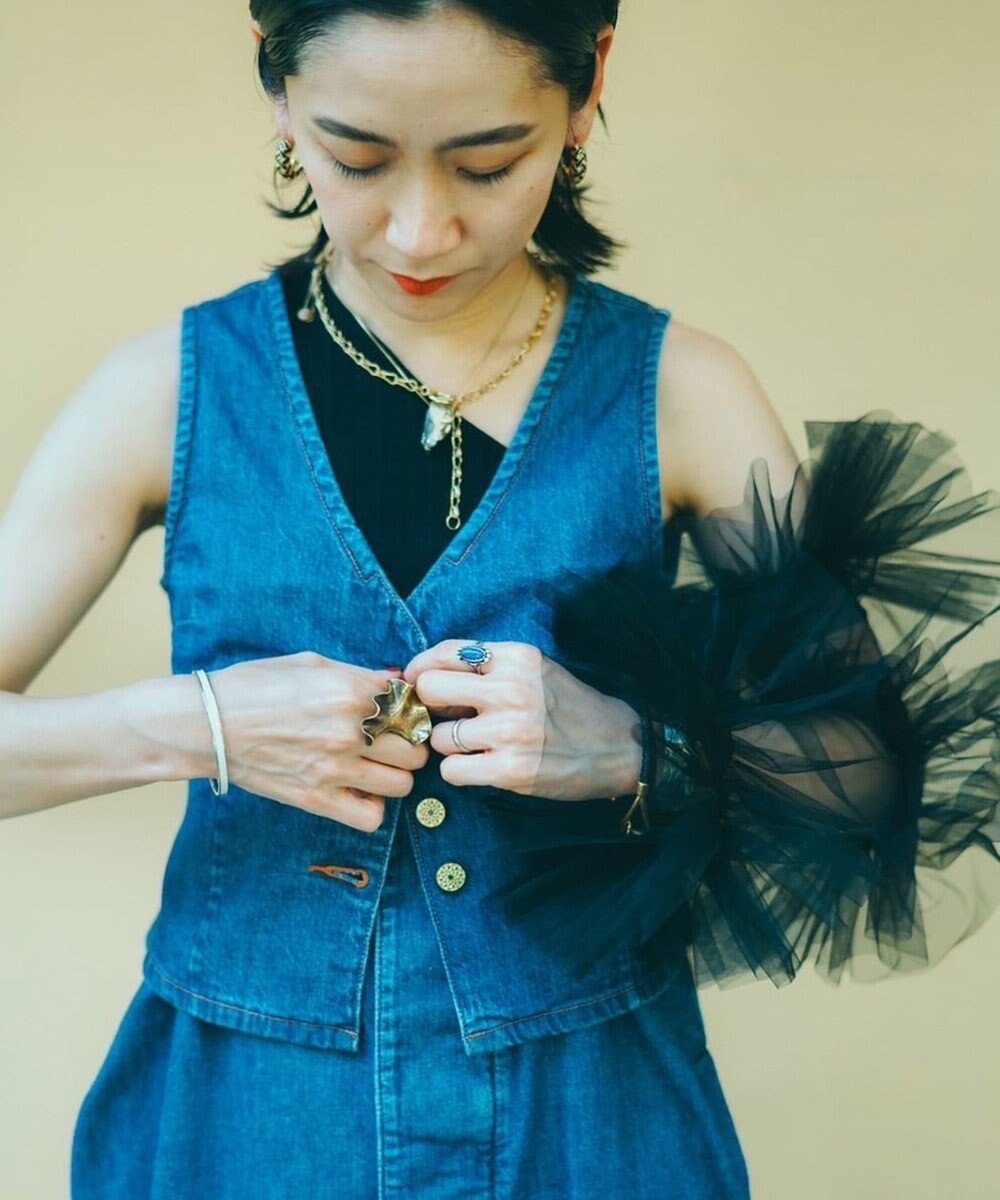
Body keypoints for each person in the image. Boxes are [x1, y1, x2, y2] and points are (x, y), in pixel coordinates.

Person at [1, 3, 995, 1198]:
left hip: (592, 1115)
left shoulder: (681, 393)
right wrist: (199, 724)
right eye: (357, 158)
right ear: (276, 87)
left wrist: (632, 749)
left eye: (487, 163)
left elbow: (866, 777)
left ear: (587, 86)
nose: (421, 230)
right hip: (245, 1115)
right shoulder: (166, 389)